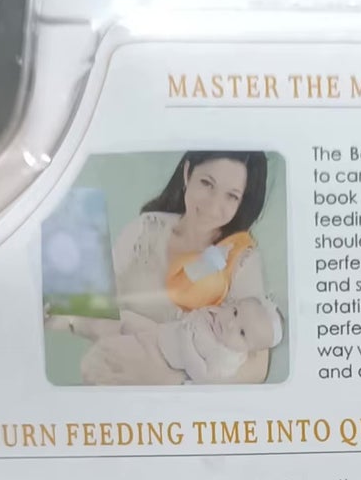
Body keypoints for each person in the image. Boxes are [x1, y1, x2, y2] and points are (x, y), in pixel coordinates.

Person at [49, 152, 276, 385]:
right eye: (207, 183)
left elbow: (257, 367)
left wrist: (174, 379)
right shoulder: (145, 229)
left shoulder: (240, 258)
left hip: (183, 403)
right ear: (187, 173)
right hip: (114, 382)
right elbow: (88, 310)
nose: (213, 205)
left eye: (231, 196)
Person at [55, 295, 283, 385]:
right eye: (235, 312)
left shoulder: (225, 358)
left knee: (118, 352)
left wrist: (186, 344)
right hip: (160, 332)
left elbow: (202, 376)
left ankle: (96, 369)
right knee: (124, 318)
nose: (231, 324)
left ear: (248, 349)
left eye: (242, 333)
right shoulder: (219, 318)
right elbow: (197, 315)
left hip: (163, 358)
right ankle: (72, 319)